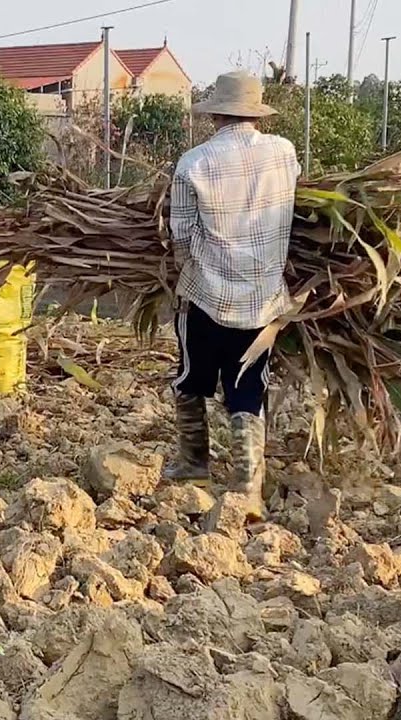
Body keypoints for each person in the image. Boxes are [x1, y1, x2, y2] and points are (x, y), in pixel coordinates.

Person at [164, 70, 301, 523]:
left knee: (191, 380)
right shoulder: (284, 153)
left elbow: (181, 234)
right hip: (263, 301)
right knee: (247, 389)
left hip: (207, 295)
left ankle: (194, 465)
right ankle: (247, 487)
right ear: (255, 112)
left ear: (216, 113)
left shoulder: (194, 163)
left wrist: (183, 270)